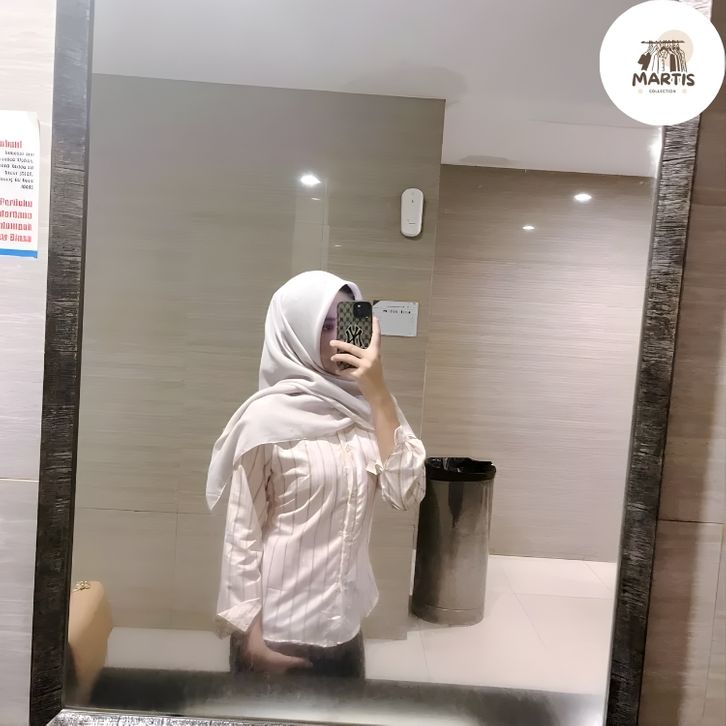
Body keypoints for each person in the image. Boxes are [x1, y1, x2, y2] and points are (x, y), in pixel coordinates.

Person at [206, 270, 426, 679]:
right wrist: (251, 641)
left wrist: (379, 393)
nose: (338, 337)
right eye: (324, 325)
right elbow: (242, 536)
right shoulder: (264, 419)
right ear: (295, 333)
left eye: (346, 321)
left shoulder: (374, 408)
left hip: (344, 629)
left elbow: (405, 492)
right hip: (277, 633)